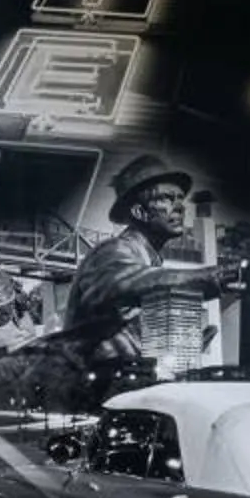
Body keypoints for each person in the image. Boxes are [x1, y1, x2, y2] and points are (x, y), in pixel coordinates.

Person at [58, 155, 224, 379]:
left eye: (180, 198)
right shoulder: (113, 251)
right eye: (166, 198)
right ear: (139, 212)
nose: (180, 207)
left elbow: (127, 332)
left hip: (116, 384)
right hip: (93, 389)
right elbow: (125, 281)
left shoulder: (147, 259)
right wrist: (210, 277)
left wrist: (183, 346)